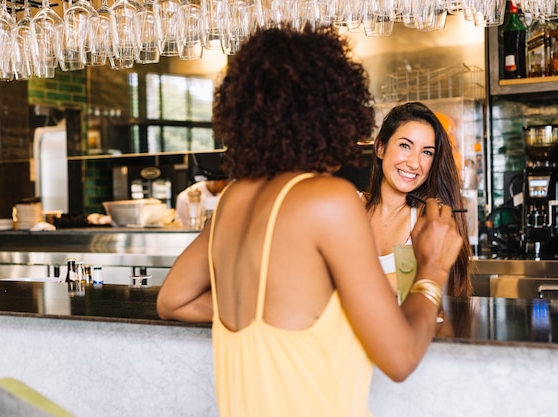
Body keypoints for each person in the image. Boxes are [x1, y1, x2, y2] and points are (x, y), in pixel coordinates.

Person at [157, 25, 463, 417]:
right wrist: (432, 271)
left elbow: (173, 300)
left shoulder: (234, 197)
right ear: (336, 112)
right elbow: (400, 357)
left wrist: (270, 306)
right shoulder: (329, 199)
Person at [363, 102, 473, 298]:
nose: (414, 163)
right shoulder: (348, 206)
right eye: (405, 145)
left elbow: (435, 289)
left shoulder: (430, 222)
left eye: (427, 152)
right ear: (380, 147)